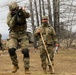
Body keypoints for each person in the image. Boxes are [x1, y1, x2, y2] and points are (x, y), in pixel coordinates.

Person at [7, 2, 30, 74]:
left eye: (15, 9)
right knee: (11, 49)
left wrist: (23, 12)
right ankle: (15, 65)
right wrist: (15, 16)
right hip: (14, 34)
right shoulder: (10, 15)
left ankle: (26, 68)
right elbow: (10, 24)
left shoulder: (21, 12)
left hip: (23, 34)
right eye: (13, 10)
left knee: (25, 51)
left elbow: (28, 15)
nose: (14, 11)